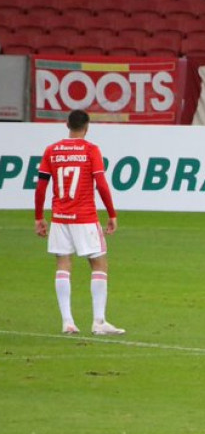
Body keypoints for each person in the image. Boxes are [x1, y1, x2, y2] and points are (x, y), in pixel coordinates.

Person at [34, 109, 125, 335]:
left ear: (67, 125)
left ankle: (67, 321)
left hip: (60, 217)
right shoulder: (91, 150)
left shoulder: (52, 150)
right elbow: (102, 185)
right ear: (87, 127)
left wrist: (39, 217)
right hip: (85, 217)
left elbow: (41, 187)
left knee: (63, 264)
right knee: (99, 264)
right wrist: (112, 213)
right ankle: (99, 321)